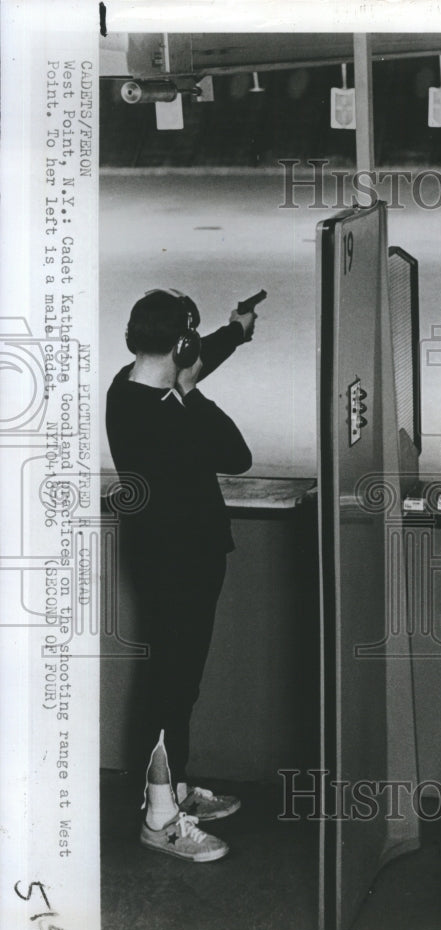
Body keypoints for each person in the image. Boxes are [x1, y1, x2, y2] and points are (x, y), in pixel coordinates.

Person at [106, 288, 257, 862]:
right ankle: (162, 817)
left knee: (174, 679)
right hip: (185, 564)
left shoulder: (127, 387)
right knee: (174, 685)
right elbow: (237, 455)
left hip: (159, 557)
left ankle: (173, 789)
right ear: (180, 342)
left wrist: (235, 332)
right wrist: (193, 393)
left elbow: (190, 363)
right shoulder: (175, 412)